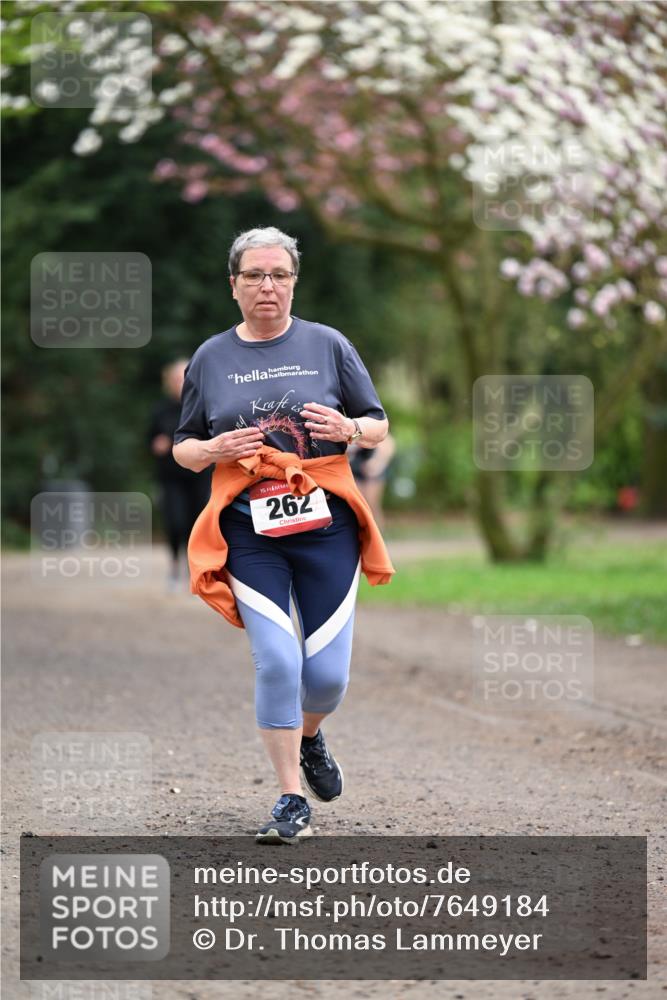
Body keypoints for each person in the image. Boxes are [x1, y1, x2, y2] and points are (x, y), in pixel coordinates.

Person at [173, 226, 394, 844]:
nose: (267, 285)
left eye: (279, 275)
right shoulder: (211, 357)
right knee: (277, 660)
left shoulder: (327, 344)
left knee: (326, 679)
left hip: (326, 528)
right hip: (250, 531)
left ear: (293, 282)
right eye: (254, 275)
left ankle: (309, 735)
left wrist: (349, 427)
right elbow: (184, 448)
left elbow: (378, 424)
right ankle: (290, 798)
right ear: (235, 286)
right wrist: (214, 447)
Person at [149, 360, 211, 590]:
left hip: (200, 475)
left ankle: (194, 569)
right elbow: (150, 440)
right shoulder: (160, 409)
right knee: (175, 522)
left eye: (184, 377)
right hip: (170, 476)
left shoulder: (204, 406)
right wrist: (157, 445)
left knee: (197, 523)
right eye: (176, 379)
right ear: (169, 382)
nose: (180, 383)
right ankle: (175, 567)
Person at [349, 432, 396, 531]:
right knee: (359, 504)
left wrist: (376, 464)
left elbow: (386, 449)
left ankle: (378, 533)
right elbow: (349, 446)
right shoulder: (356, 432)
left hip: (374, 472)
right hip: (357, 469)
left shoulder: (381, 433)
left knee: (372, 504)